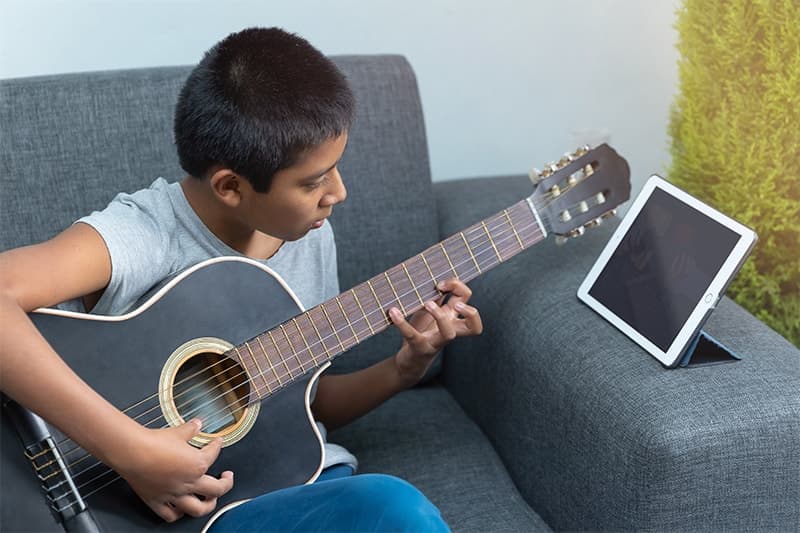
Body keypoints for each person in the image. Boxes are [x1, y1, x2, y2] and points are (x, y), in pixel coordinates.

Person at [0, 27, 483, 531]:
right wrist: (132, 451)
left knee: (393, 511)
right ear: (230, 186)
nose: (337, 193)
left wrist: (403, 369)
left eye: (336, 169)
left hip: (267, 494)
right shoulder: (145, 233)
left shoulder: (311, 234)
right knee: (394, 506)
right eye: (314, 181)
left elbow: (299, 402)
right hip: (115, 509)